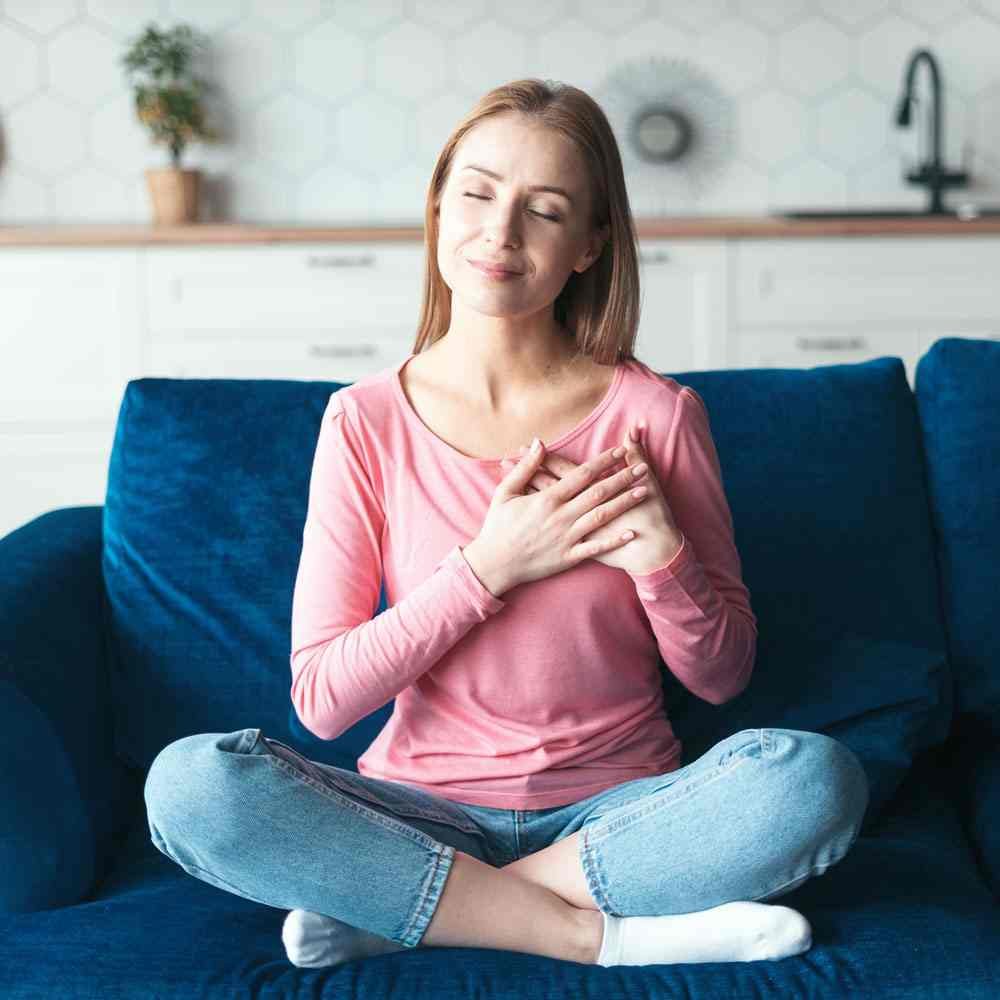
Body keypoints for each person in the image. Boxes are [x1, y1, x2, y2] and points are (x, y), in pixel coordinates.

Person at [143, 78, 869, 971]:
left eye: (546, 209)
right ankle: (592, 933)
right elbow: (322, 701)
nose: (501, 230)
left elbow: (722, 678)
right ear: (440, 206)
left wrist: (664, 561)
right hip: (413, 812)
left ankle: (419, 906)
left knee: (812, 779)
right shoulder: (365, 422)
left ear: (590, 245)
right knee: (191, 784)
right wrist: (487, 568)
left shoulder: (657, 416)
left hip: (615, 814)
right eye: (479, 192)